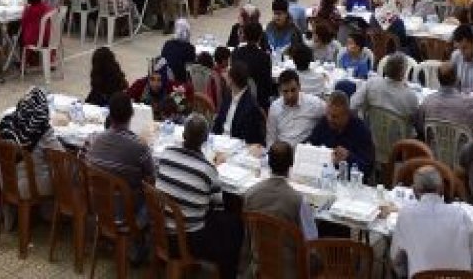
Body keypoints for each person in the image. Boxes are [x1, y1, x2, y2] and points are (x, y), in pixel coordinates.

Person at [155, 115, 243, 279]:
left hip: (160, 228)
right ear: (205, 140)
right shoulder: (208, 169)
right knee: (233, 226)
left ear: (183, 135)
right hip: (186, 239)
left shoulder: (166, 154)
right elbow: (217, 208)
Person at [390, 166, 473, 277]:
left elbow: (396, 260)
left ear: (415, 191)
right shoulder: (461, 215)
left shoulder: (405, 215)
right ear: (441, 189)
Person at [242, 142, 319, 279]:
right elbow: (311, 240)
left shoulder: (250, 194)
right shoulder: (299, 201)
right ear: (291, 164)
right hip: (289, 270)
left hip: (260, 263)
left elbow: (248, 236)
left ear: (268, 162)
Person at [85, 92, 154, 215]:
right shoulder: (139, 146)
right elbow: (151, 178)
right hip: (128, 214)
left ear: (109, 115)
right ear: (132, 114)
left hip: (99, 209)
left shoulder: (93, 139)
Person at [0, 86, 59, 199]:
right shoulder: (42, 129)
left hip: (4, 179)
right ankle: (53, 214)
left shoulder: (7, 121)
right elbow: (60, 156)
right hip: (26, 186)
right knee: (64, 176)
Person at [305, 90, 374, 177]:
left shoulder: (361, 131)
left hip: (347, 181)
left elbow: (368, 168)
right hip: (323, 175)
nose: (330, 119)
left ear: (347, 114)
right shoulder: (324, 122)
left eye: (335, 116)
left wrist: (348, 157)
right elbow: (311, 141)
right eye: (328, 114)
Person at [350, 53, 421, 129]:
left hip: (373, 134)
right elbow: (417, 123)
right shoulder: (410, 96)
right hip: (400, 139)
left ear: (385, 67)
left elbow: (353, 104)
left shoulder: (371, 84)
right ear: (403, 73)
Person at [420, 61, 473, 126]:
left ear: (438, 79)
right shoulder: (468, 102)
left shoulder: (427, 101)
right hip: (462, 141)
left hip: (432, 142)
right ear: (456, 78)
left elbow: (418, 123)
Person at [266, 69, 326, 147]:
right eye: (285, 91)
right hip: (283, 153)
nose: (290, 95)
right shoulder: (275, 107)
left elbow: (330, 115)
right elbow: (271, 137)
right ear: (280, 91)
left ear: (299, 87)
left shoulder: (314, 104)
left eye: (293, 90)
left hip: (304, 152)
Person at [212, 62, 266, 146]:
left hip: (236, 147)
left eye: (227, 74)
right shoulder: (228, 96)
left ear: (231, 80)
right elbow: (218, 122)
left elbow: (248, 141)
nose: (225, 76)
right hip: (220, 142)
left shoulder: (251, 107)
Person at [231, 23, 274, 111]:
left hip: (237, 97)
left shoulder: (236, 53)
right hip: (258, 103)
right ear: (260, 36)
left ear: (244, 36)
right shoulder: (264, 57)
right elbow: (267, 84)